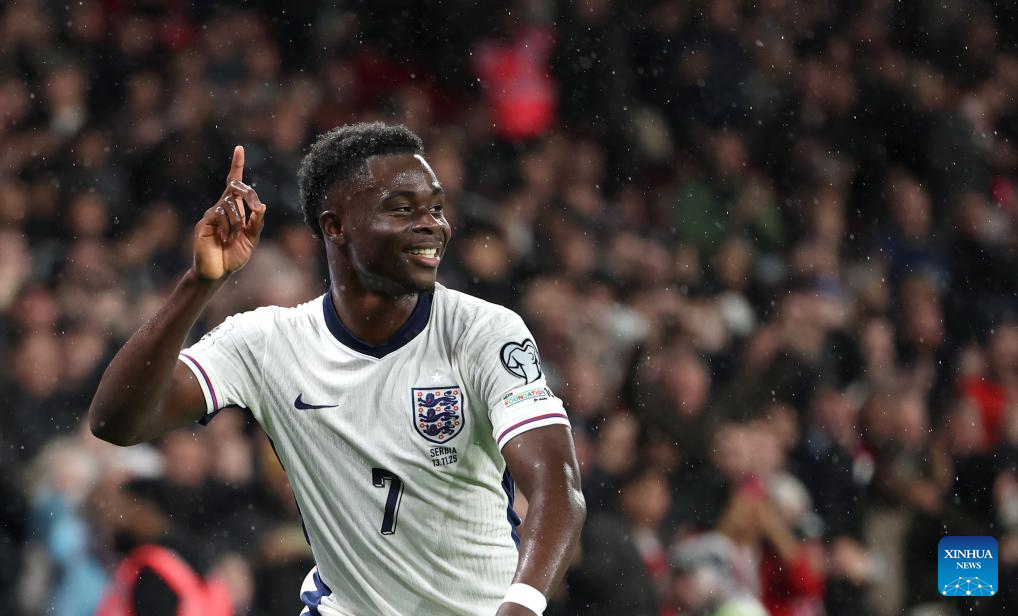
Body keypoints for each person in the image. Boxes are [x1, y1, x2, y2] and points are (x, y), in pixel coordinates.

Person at [88, 122, 586, 616]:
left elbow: (557, 486)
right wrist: (199, 282)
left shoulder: (484, 332)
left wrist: (521, 608)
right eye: (402, 208)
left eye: (436, 207)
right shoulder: (268, 342)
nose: (432, 224)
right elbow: (116, 421)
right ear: (335, 226)